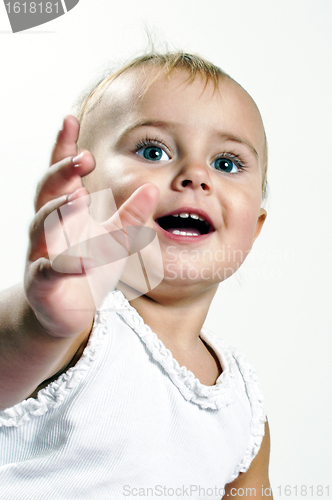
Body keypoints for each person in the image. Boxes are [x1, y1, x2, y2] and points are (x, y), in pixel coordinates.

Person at [0, 52, 273, 499]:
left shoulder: (244, 410)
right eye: (153, 151)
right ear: (83, 194)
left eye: (227, 163)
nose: (195, 176)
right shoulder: (82, 326)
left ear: (255, 227)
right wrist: (41, 323)